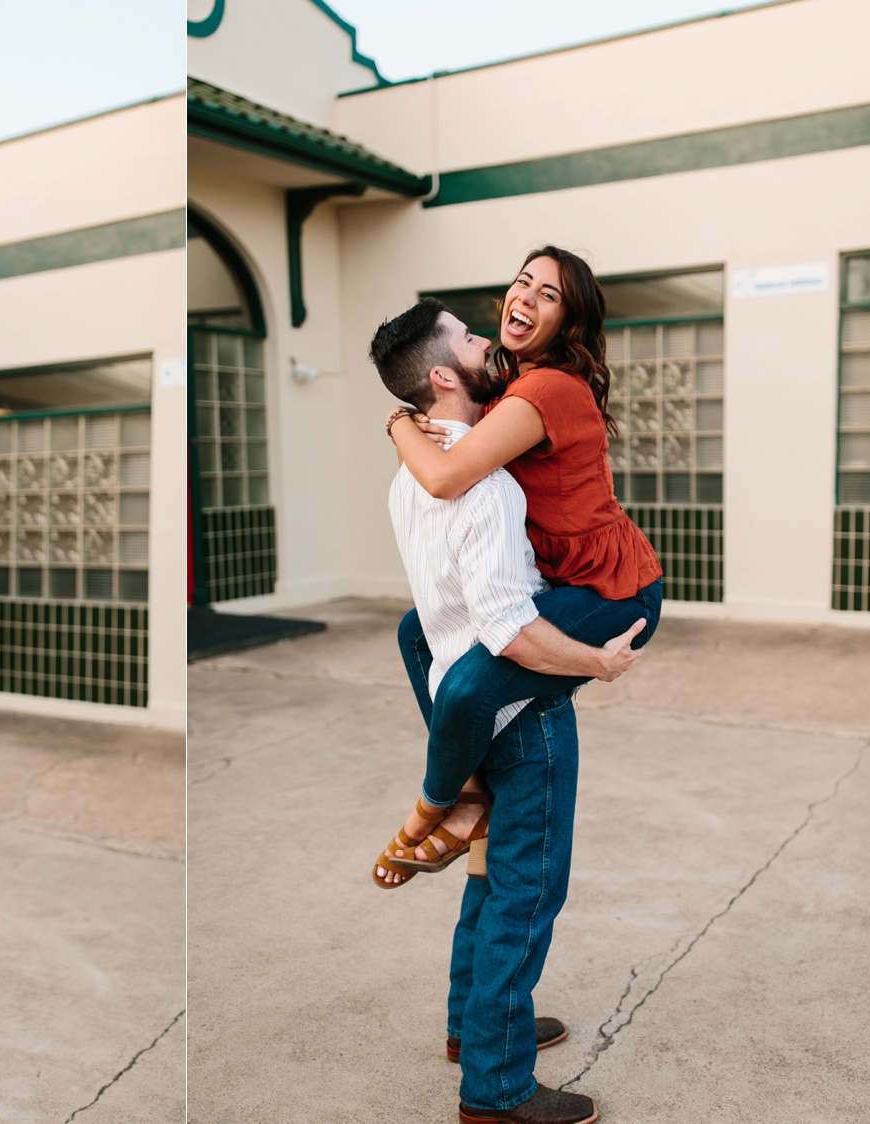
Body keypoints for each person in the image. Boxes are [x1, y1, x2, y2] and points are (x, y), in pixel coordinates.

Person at [369, 297, 633, 1124]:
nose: (492, 342)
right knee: (525, 890)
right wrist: (597, 662)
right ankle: (497, 1088)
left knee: (486, 877)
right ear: (446, 375)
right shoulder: (482, 489)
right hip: (523, 715)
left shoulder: (408, 478)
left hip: (462, 697)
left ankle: (471, 1027)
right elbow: (513, 633)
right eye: (473, 339)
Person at [381, 247, 664, 871]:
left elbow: (448, 474)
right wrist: (410, 410)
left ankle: (440, 804)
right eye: (523, 283)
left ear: (568, 323)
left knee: (470, 683)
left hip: (610, 589)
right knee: (417, 633)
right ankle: (476, 791)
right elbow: (449, 407)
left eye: (550, 296)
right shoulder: (508, 383)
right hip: (561, 578)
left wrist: (400, 423)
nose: (526, 299)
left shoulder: (546, 389)